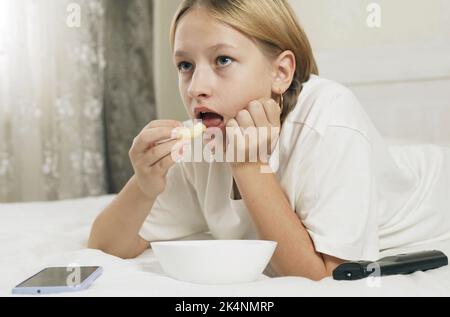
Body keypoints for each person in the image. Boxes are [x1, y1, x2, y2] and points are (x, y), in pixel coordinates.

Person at [88, 0, 450, 281]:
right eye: (185, 65)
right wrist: (144, 185)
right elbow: (107, 247)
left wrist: (249, 166)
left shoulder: (329, 119)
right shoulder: (200, 143)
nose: (196, 87)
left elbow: (320, 277)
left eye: (223, 60)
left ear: (280, 72)